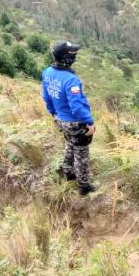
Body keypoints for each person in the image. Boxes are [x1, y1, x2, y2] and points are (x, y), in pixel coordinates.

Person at [42, 40, 97, 196]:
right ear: (66, 57)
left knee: (70, 144)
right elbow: (77, 107)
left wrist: (53, 114)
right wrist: (89, 123)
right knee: (81, 153)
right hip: (75, 122)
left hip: (60, 119)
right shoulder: (71, 79)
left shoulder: (47, 73)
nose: (75, 56)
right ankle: (84, 186)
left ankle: (68, 172)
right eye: (73, 54)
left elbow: (46, 97)